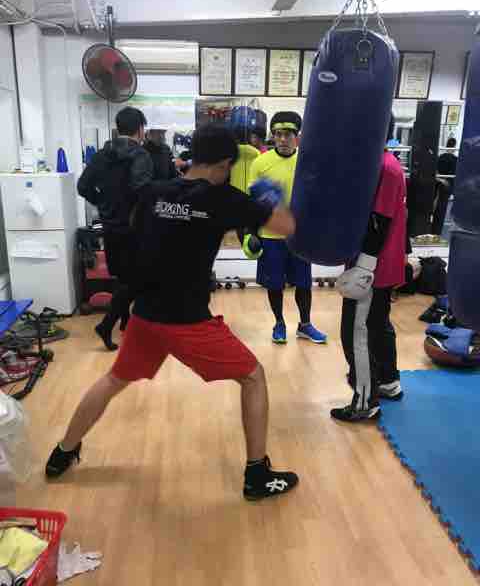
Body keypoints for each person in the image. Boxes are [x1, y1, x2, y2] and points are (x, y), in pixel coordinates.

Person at [46, 124, 299, 502]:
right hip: (187, 321)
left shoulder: (154, 192)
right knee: (253, 376)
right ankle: (257, 474)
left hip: (146, 315)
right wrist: (269, 199)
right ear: (224, 164)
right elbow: (287, 226)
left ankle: (63, 451)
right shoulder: (223, 198)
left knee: (114, 379)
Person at [331, 117, 406, 423]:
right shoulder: (385, 164)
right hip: (382, 264)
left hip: (373, 266)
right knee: (377, 325)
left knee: (355, 332)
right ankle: (388, 381)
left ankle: (365, 401)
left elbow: (379, 222)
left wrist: (363, 268)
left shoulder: (384, 169)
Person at [248, 112, 327, 345]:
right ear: (273, 136)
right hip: (270, 234)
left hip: (299, 235)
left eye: (288, 135)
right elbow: (252, 201)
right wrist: (250, 232)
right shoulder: (260, 163)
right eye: (278, 134)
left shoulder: (306, 162)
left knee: (304, 283)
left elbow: (316, 197)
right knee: (274, 284)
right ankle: (279, 323)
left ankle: (305, 325)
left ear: (297, 137)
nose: (282, 139)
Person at [77, 107, 153, 351]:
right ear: (140, 129)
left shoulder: (102, 155)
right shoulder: (140, 155)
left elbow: (82, 186)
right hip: (134, 228)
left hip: (110, 226)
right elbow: (142, 190)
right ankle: (107, 324)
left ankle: (126, 323)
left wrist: (102, 202)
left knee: (123, 277)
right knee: (137, 281)